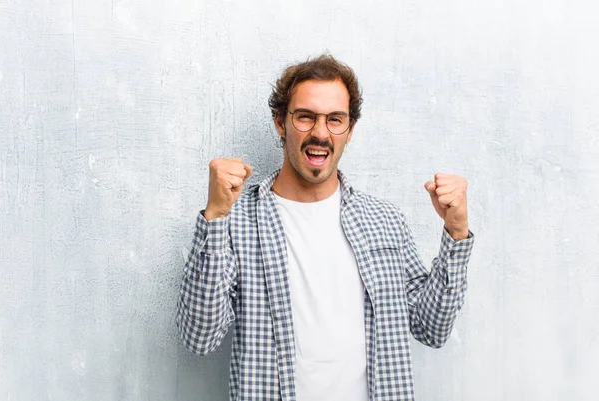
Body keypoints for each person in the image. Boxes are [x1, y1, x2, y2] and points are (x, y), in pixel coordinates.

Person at [176, 54, 474, 401]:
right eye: (305, 117)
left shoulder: (384, 221)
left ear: (349, 130)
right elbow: (199, 337)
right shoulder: (237, 221)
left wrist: (456, 234)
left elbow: (431, 327)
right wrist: (214, 216)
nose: (320, 133)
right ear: (280, 123)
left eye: (335, 119)